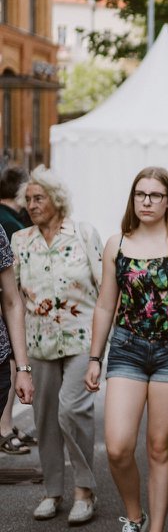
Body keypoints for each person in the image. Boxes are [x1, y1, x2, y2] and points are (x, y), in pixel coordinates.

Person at [84, 167, 168, 532]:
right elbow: (105, 305)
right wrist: (95, 358)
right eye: (140, 194)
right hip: (127, 349)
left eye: (155, 195)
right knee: (117, 447)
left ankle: (156, 528)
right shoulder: (117, 245)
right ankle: (135, 516)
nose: (147, 201)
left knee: (159, 447)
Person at [12, 166, 102, 524]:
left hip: (82, 338)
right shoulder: (21, 242)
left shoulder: (83, 234)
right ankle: (52, 491)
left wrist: (101, 350)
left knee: (71, 410)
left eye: (39, 198)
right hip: (39, 342)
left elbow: (104, 288)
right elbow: (14, 302)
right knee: (45, 417)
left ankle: (84, 490)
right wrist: (21, 364)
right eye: (28, 200)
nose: (32, 205)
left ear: (57, 199)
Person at [0, 164, 30, 455]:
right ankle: (5, 428)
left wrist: (23, 368)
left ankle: (5, 426)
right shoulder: (12, 224)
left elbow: (11, 300)